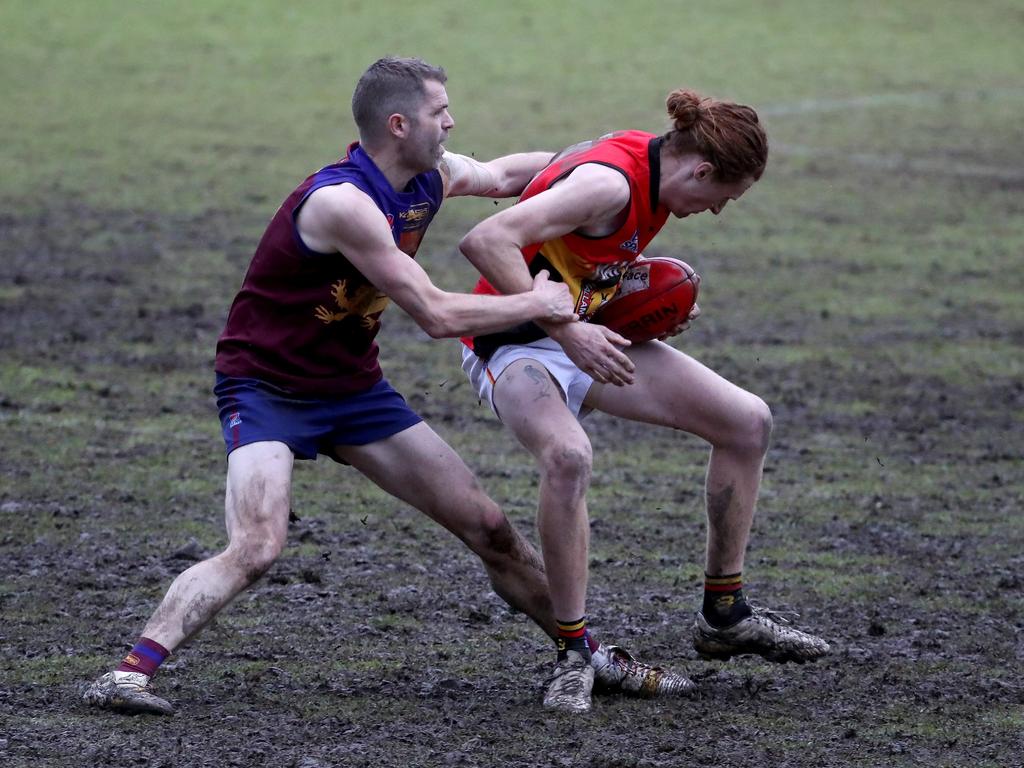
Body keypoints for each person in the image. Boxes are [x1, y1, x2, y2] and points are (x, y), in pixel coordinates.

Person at [83, 57, 694, 716]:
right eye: (440, 112)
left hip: (352, 390)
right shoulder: (342, 203)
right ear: (399, 124)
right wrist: (541, 304)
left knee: (488, 527)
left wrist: (608, 168)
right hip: (266, 390)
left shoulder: (430, 176)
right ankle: (126, 674)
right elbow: (434, 313)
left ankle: (585, 654)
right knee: (258, 545)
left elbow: (507, 174)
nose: (452, 121)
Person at [458, 88, 831, 713]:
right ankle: (574, 649)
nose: (715, 212)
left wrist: (630, 300)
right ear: (701, 170)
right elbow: (486, 240)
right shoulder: (612, 186)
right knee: (569, 455)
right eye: (723, 199)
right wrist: (566, 329)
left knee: (747, 422)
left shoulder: (647, 164)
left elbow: (552, 171)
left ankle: (724, 613)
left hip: (585, 334)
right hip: (512, 342)